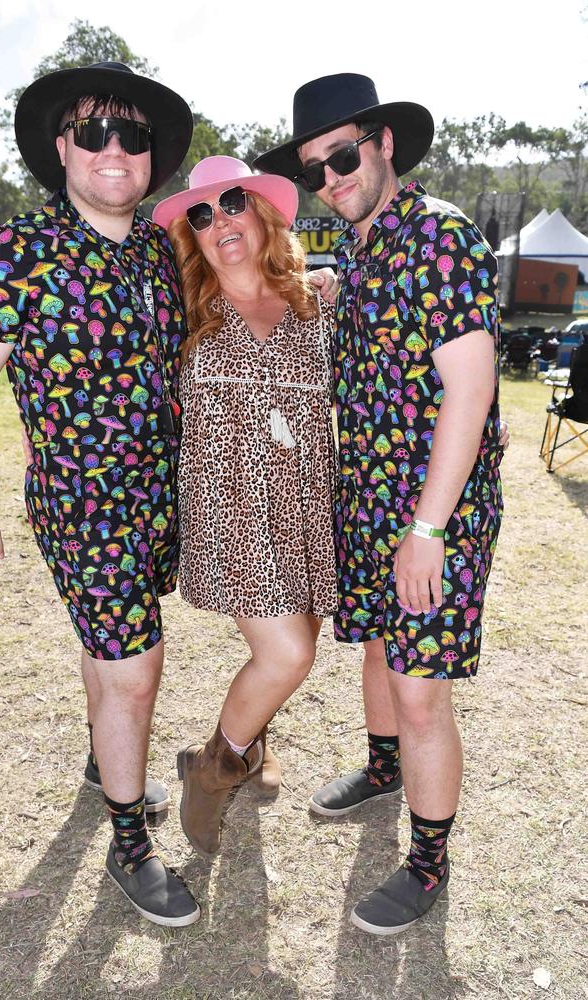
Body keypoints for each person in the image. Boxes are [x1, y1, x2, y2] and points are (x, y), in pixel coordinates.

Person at [0, 61, 201, 926]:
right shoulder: (19, 252)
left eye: (131, 135)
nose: (115, 150)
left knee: (111, 653)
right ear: (63, 148)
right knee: (136, 668)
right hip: (83, 504)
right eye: (94, 132)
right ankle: (131, 842)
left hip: (160, 501)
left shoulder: (164, 251)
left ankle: (104, 763)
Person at [254, 74, 504, 934]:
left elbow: (469, 394)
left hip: (434, 509)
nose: (332, 176)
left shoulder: (442, 238)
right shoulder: (359, 249)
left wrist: (427, 530)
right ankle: (383, 768)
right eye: (316, 167)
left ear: (386, 143)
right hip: (365, 496)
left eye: (345, 154)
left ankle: (429, 861)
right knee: (375, 650)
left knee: (420, 685)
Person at [151, 156, 338, 856]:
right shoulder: (180, 311)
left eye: (232, 202)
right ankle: (215, 766)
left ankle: (255, 746)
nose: (218, 221)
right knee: (286, 653)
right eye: (200, 215)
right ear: (193, 238)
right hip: (228, 508)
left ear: (262, 212)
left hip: (306, 503)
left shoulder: (315, 302)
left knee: (301, 639)